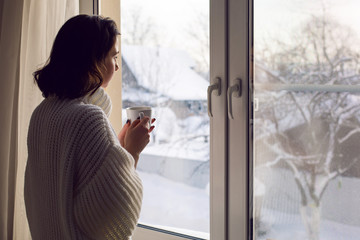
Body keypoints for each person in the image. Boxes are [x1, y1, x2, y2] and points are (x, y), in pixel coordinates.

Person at [24, 14, 154, 240]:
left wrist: (117, 150)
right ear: (92, 60)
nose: (116, 65)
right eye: (113, 56)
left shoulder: (42, 113)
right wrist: (132, 152)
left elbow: (72, 190)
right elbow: (114, 211)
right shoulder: (88, 118)